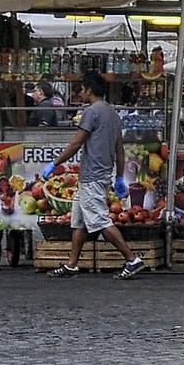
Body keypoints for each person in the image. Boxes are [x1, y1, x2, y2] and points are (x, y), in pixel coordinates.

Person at [50, 72, 147, 278]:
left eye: (83, 89)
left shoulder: (91, 112)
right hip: (99, 175)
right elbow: (120, 149)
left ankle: (132, 259)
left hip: (92, 176)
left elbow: (77, 142)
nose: (81, 93)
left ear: (89, 90)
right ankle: (71, 264)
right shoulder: (112, 113)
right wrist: (119, 176)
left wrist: (54, 163)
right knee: (80, 221)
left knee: (101, 221)